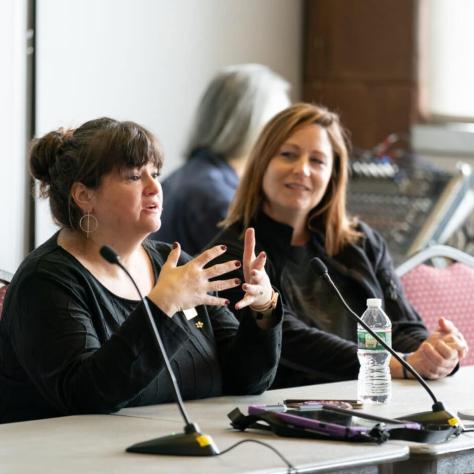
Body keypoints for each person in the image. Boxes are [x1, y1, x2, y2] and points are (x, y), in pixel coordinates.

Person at [0, 118, 282, 424]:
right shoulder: (45, 281)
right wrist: (163, 305)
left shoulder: (173, 263)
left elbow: (245, 381)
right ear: (84, 195)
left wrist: (263, 308)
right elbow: (85, 396)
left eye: (155, 174)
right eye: (134, 176)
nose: (154, 188)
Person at [209, 103, 468, 388]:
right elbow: (289, 338)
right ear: (261, 164)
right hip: (290, 403)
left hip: (374, 395)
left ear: (333, 175)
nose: (302, 170)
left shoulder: (361, 241)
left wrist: (433, 352)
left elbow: (401, 326)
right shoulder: (232, 253)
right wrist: (392, 364)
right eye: (288, 155)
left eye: (317, 161)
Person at [151, 63, 290, 255]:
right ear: (251, 124)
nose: (286, 136)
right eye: (280, 124)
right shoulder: (215, 198)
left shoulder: (189, 176)